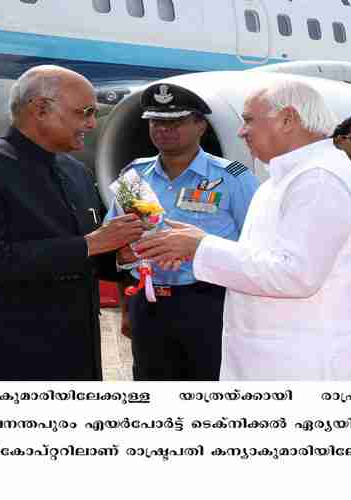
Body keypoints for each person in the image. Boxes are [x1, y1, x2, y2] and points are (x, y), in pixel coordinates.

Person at [135, 80, 351, 380]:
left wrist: (200, 247)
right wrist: (194, 245)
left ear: (288, 119)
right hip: (277, 358)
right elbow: (259, 258)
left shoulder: (319, 179)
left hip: (308, 365)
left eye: (249, 120)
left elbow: (296, 274)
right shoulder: (285, 179)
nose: (242, 131)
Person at [0, 65, 144, 381]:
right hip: (0, 357)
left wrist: (119, 258)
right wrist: (94, 243)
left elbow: (85, 256)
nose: (90, 123)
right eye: (84, 112)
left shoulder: (75, 172)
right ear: (41, 109)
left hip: (73, 354)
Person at [108, 82, 259, 381]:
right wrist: (126, 306)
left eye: (175, 121)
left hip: (209, 302)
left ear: (201, 125)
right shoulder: (133, 175)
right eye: (156, 121)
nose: (164, 129)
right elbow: (119, 244)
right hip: (148, 302)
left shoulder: (232, 178)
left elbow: (255, 245)